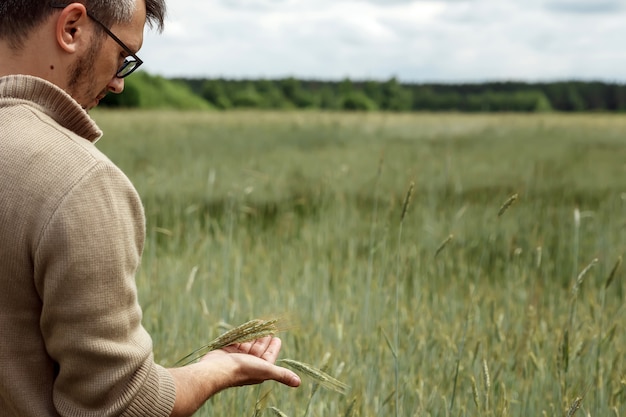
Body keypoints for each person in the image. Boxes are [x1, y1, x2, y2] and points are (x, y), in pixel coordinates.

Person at [0, 1, 301, 416]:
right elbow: (120, 405)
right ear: (71, 27)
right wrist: (218, 369)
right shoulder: (77, 181)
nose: (119, 83)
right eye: (123, 56)